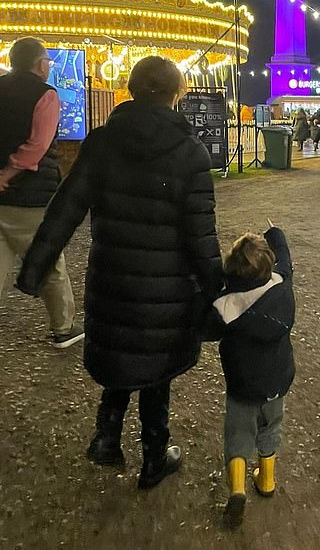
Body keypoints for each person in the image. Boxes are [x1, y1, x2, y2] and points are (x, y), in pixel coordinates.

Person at [17, 56, 223, 490]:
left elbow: (65, 210)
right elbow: (201, 236)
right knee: (156, 372)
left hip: (114, 278)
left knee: (121, 357)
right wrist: (220, 291)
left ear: (129, 88)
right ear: (176, 93)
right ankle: (154, 457)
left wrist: (35, 267)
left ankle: (107, 438)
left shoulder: (101, 143)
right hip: (167, 288)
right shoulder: (191, 154)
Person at [204, 225, 295, 529]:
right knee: (271, 427)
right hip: (277, 381)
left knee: (239, 434)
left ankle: (238, 489)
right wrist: (275, 233)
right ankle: (266, 480)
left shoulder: (227, 305)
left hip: (242, 385)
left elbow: (204, 329)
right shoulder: (281, 285)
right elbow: (284, 257)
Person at [0, 37, 83, 348]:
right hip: (29, 194)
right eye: (48, 60)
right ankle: (63, 327)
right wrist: (8, 173)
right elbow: (37, 147)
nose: (49, 65)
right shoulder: (46, 95)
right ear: (38, 64)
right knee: (48, 258)